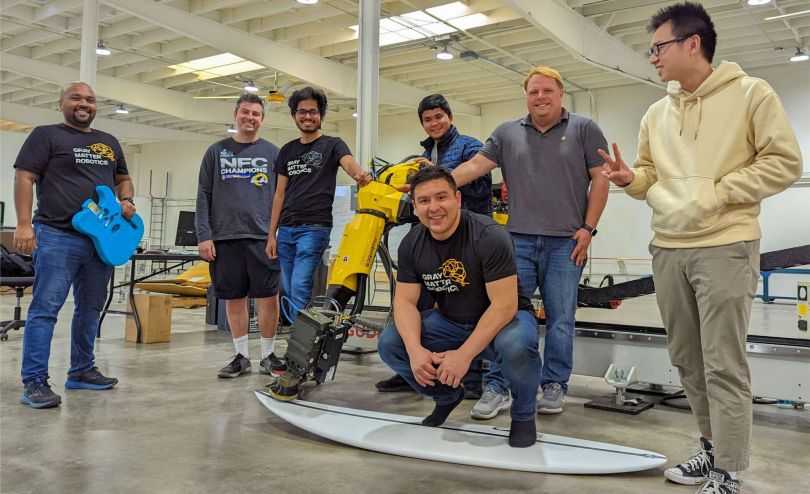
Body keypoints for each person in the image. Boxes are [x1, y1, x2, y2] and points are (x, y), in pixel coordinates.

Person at [599, 3, 802, 493]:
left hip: (726, 243)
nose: (652, 57)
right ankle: (710, 449)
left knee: (723, 361)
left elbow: (785, 162)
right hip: (668, 246)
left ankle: (728, 470)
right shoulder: (656, 113)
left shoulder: (751, 93)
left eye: (658, 47)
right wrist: (630, 179)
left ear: (693, 43)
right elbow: (650, 175)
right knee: (687, 359)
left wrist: (718, 191)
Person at [452, 67, 609, 418]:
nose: (540, 97)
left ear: (560, 94)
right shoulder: (507, 133)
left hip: (567, 243)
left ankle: (554, 385)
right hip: (517, 242)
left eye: (547, 90)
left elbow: (602, 179)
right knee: (505, 313)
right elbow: (474, 166)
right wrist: (435, 182)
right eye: (534, 91)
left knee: (560, 319)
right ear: (526, 96)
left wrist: (588, 228)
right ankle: (499, 385)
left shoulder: (584, 129)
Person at [376, 166, 540, 447]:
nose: (434, 208)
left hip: (504, 322)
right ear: (414, 207)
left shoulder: (489, 236)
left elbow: (504, 305)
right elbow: (404, 301)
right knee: (391, 342)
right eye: (424, 201)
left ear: (458, 199)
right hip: (451, 322)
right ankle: (446, 395)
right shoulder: (411, 244)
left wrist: (463, 355)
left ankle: (524, 416)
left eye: (441, 197)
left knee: (517, 346)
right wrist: (415, 351)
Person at [13, 81, 135, 409]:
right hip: (57, 234)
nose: (84, 103)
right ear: (61, 103)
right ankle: (34, 381)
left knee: (91, 307)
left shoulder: (109, 141)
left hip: (101, 241)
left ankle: (81, 370)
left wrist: (126, 199)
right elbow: (24, 177)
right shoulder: (46, 135)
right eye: (76, 98)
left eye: (90, 99)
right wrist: (24, 224)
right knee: (45, 309)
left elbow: (123, 178)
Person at [375, 94, 491, 399]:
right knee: (419, 306)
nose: (434, 123)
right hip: (430, 243)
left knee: (468, 308)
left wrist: (440, 175)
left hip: (466, 241)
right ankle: (414, 368)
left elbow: (481, 186)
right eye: (427, 119)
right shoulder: (424, 154)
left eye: (439, 116)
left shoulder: (470, 146)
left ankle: (472, 380)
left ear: (450, 116)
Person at [266, 87, 370, 329]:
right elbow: (279, 195)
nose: (307, 116)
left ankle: (299, 339)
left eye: (313, 111)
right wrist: (271, 235)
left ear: (321, 115)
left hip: (314, 228)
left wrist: (359, 174)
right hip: (286, 230)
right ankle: (306, 333)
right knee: (287, 287)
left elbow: (349, 163)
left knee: (300, 285)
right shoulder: (287, 150)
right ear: (294, 115)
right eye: (302, 112)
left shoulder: (332, 145)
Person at [196, 93, 282, 378]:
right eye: (245, 112)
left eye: (256, 114)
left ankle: (268, 355)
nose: (250, 117)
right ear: (235, 115)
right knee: (234, 297)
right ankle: (242, 357)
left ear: (262, 120)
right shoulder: (216, 151)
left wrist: (277, 233)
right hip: (225, 237)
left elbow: (282, 197)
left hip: (262, 238)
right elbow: (203, 195)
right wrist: (204, 235)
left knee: (269, 297)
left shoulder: (273, 153)